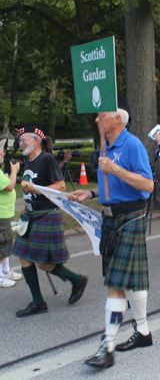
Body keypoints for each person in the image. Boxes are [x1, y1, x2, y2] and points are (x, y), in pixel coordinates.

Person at [70, 97, 154, 369]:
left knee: (116, 284)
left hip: (129, 218)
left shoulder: (132, 145)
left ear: (117, 119)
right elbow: (113, 183)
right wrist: (92, 192)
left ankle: (107, 348)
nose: (96, 119)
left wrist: (115, 168)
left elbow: (149, 185)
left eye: (101, 115)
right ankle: (143, 332)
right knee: (129, 280)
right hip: (110, 220)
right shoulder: (105, 145)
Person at [11, 124, 88, 316]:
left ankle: (77, 280)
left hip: (46, 214)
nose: (20, 143)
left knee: (42, 263)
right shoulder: (29, 160)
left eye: (24, 140)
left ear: (35, 140)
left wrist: (34, 189)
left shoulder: (47, 159)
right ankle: (38, 302)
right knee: (23, 255)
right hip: (31, 215)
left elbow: (61, 186)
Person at [0, 138, 22, 287]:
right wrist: (14, 172)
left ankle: (6, 270)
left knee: (7, 242)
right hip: (1, 214)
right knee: (2, 243)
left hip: (6, 212)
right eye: (1, 150)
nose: (3, 152)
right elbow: (10, 186)